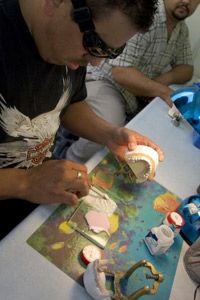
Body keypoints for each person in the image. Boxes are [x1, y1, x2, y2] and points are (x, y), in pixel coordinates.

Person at [0, 0, 163, 240]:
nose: (97, 62)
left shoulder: (68, 45)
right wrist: (25, 183)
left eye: (112, 51)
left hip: (35, 197)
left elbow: (66, 103)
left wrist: (109, 134)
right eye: (95, 44)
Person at [65, 0, 200, 163]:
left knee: (159, 133)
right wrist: (162, 90)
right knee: (111, 122)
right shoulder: (148, 18)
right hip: (105, 82)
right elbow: (121, 73)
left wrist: (159, 81)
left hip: (134, 94)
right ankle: (73, 162)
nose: (187, 1)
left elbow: (186, 69)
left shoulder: (180, 29)